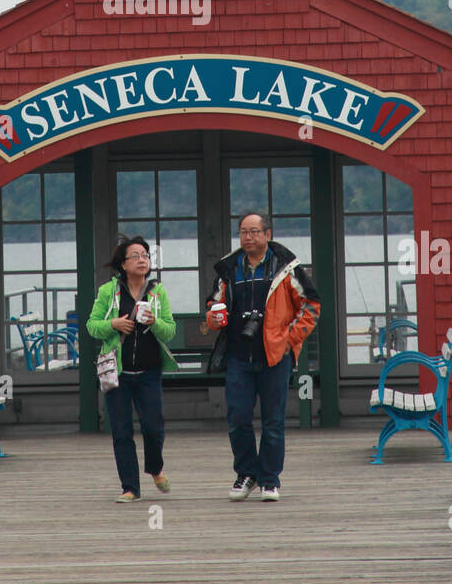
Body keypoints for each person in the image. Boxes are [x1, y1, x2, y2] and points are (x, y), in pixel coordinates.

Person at [205, 212, 320, 502]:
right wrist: (213, 317)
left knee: (273, 421)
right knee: (238, 419)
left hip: (274, 356)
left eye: (255, 232)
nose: (248, 237)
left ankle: (270, 479)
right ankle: (247, 473)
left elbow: (311, 306)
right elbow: (213, 304)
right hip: (237, 356)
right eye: (243, 232)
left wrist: (289, 340)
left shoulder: (287, 268)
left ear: (268, 235)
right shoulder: (229, 269)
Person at [86, 235, 178, 502]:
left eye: (146, 256)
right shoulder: (108, 292)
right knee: (122, 431)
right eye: (135, 256)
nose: (142, 260)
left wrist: (155, 322)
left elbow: (170, 331)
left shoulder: (157, 291)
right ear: (123, 264)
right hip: (118, 372)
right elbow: (92, 326)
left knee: (153, 427)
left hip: (149, 372)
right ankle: (130, 488)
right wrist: (113, 324)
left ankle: (155, 468)